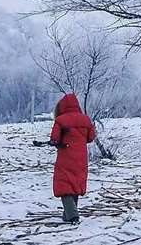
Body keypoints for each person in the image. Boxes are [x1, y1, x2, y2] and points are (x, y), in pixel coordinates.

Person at [50, 93, 96, 225]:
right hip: (81, 155)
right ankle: (68, 214)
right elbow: (91, 137)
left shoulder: (61, 120)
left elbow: (54, 138)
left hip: (66, 154)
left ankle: (73, 216)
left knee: (64, 183)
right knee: (75, 183)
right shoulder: (86, 119)